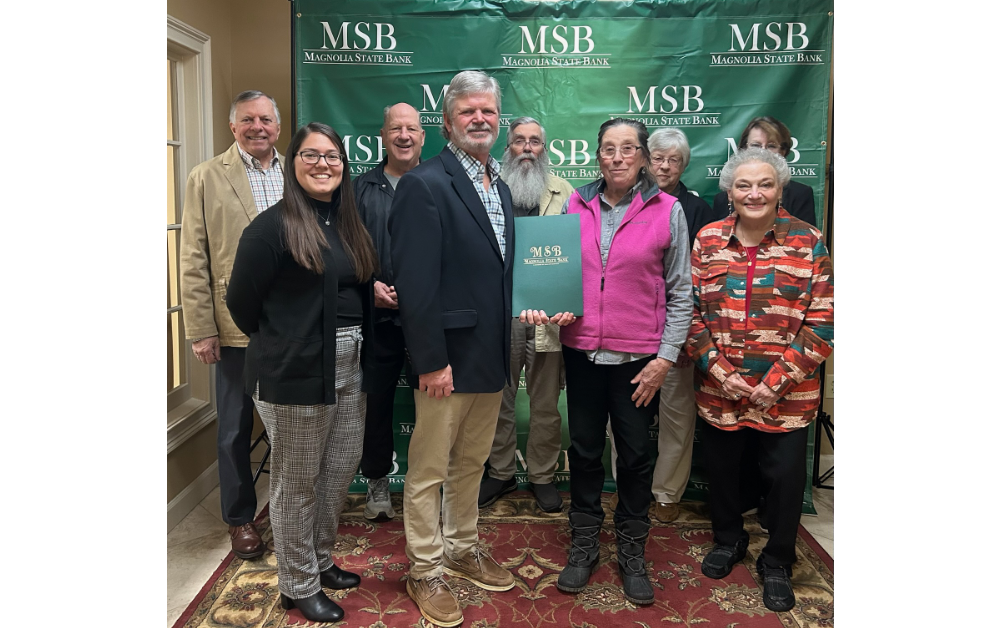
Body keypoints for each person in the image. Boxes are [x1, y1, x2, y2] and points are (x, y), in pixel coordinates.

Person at [531, 118, 692, 606]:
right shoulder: (573, 206)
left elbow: (682, 292)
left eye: (627, 149)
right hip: (581, 352)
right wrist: (551, 303)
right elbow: (554, 275)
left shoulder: (668, 210)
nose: (617, 157)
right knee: (582, 450)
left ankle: (632, 548)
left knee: (636, 456)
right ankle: (583, 544)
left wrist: (665, 359)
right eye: (608, 149)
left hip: (638, 361)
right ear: (597, 156)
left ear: (644, 156)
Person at [225, 122, 378, 623]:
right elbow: (242, 306)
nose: (322, 164)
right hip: (294, 370)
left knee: (337, 472)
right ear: (293, 164)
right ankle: (296, 584)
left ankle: (319, 560)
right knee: (297, 481)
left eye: (332, 156)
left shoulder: (345, 221)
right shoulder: (269, 229)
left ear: (343, 165)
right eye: (310, 155)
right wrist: (285, 339)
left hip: (350, 365)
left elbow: (348, 289)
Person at [389, 70, 516, 628]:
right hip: (446, 361)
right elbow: (416, 285)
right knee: (428, 470)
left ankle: (463, 546)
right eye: (468, 112)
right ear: (447, 121)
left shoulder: (503, 185)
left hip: (492, 356)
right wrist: (431, 360)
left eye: (487, 111)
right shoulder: (425, 183)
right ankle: (425, 566)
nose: (479, 119)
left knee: (471, 464)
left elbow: (499, 274)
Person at [690, 147, 833, 613]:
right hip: (720, 392)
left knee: (784, 482)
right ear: (729, 190)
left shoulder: (808, 241)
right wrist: (720, 372)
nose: (754, 193)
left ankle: (777, 561)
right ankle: (728, 540)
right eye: (744, 185)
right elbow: (689, 313)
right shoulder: (707, 240)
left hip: (787, 397)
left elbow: (825, 320)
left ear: (780, 189)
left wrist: (777, 379)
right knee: (725, 474)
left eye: (765, 184)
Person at [179, 90, 283, 561]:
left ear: (277, 127)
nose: (257, 127)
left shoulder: (297, 169)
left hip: (293, 323)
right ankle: (240, 519)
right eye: (248, 120)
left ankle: (289, 512)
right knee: (235, 428)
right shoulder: (205, 176)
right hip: (233, 324)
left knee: (296, 425)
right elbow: (193, 257)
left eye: (265, 119)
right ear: (233, 127)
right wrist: (202, 328)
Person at [607, 127, 729, 522]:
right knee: (623, 418)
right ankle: (622, 487)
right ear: (645, 159)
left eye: (673, 160)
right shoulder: (624, 202)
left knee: (677, 417)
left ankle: (665, 495)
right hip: (631, 333)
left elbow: (698, 282)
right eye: (657, 157)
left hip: (677, 334)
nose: (663, 165)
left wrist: (680, 342)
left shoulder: (695, 209)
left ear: (683, 166)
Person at [478, 116, 575, 514]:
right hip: (499, 314)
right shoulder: (486, 189)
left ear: (545, 149)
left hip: (548, 317)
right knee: (495, 401)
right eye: (520, 141)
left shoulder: (564, 192)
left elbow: (576, 255)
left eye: (536, 141)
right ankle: (500, 472)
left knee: (546, 403)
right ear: (508, 147)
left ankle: (542, 477)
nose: (528, 148)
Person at [355, 102, 426, 521]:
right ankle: (377, 481)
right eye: (395, 128)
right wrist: (370, 287)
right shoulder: (360, 189)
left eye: (411, 128)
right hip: (376, 318)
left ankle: (426, 487)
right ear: (383, 136)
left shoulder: (439, 184)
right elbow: (345, 251)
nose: (403, 135)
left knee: (433, 408)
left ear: (422, 136)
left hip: (427, 320)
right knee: (376, 404)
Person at [712, 116, 817, 227]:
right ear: (743, 149)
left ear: (783, 151)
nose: (762, 151)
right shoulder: (722, 199)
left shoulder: (800, 194)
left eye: (771, 146)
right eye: (756, 145)